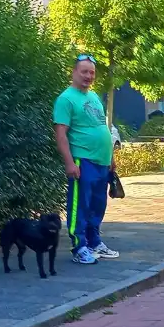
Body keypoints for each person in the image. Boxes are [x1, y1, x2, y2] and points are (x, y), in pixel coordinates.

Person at [52, 54, 118, 265]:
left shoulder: (94, 97)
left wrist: (111, 157)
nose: (88, 76)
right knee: (80, 205)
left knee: (98, 204)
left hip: (102, 161)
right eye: (84, 72)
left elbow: (101, 127)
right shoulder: (66, 99)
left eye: (91, 72)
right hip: (83, 160)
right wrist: (69, 163)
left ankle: (94, 241)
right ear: (73, 72)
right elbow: (61, 134)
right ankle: (79, 246)